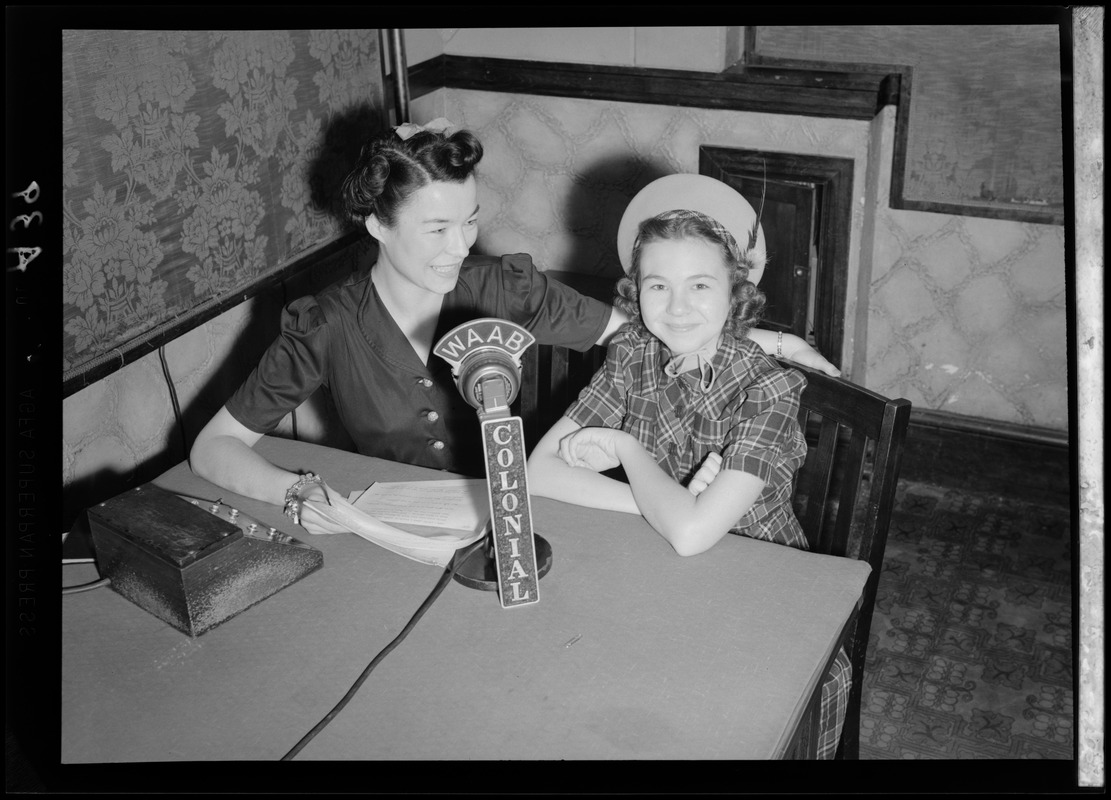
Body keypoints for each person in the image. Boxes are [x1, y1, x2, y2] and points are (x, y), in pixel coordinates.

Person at [189, 120, 837, 537]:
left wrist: (765, 341)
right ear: (378, 227)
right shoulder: (325, 325)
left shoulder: (501, 287)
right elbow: (213, 448)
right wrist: (297, 490)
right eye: (436, 229)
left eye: (468, 220)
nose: (459, 244)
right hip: (393, 527)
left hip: (529, 519)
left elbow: (647, 329)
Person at [525, 174, 849, 758]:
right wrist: (665, 503)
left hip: (765, 589)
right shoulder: (631, 354)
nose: (676, 309)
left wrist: (627, 453)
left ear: (736, 291)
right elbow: (536, 473)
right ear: (635, 290)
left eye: (700, 284)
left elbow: (697, 534)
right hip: (659, 567)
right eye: (657, 286)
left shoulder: (769, 388)